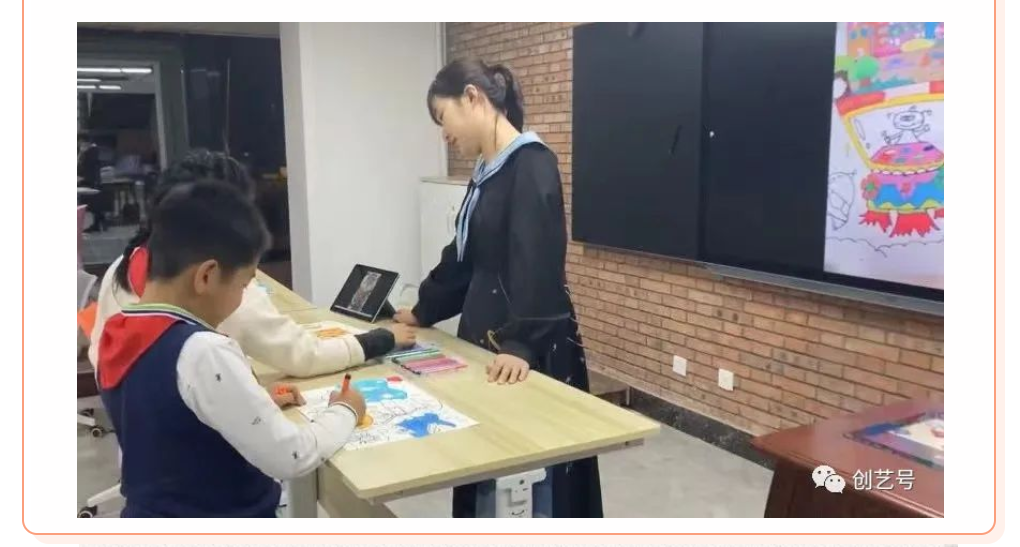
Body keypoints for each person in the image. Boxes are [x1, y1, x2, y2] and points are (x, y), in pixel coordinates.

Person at [394, 59, 603, 518]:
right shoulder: (488, 170)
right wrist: (425, 308)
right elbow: (465, 254)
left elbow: (539, 262)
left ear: (472, 98)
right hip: (487, 337)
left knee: (528, 478)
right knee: (482, 465)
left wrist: (521, 344)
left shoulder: (532, 164)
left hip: (527, 347)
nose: (444, 135)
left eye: (443, 118)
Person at [96, 181, 367, 517]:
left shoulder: (118, 329)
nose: (242, 296)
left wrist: (249, 401)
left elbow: (166, 421)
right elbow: (292, 456)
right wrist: (345, 409)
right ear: (207, 276)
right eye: (243, 284)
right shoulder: (202, 351)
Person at [88, 149, 417, 380]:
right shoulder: (219, 288)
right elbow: (305, 356)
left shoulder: (124, 264)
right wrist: (380, 339)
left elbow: (98, 353)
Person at [77, 132, 108, 232]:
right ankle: (100, 222)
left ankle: (99, 222)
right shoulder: (84, 151)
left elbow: (89, 167)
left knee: (93, 203)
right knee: (92, 203)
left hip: (91, 180)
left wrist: (83, 177)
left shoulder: (92, 151)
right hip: (85, 179)